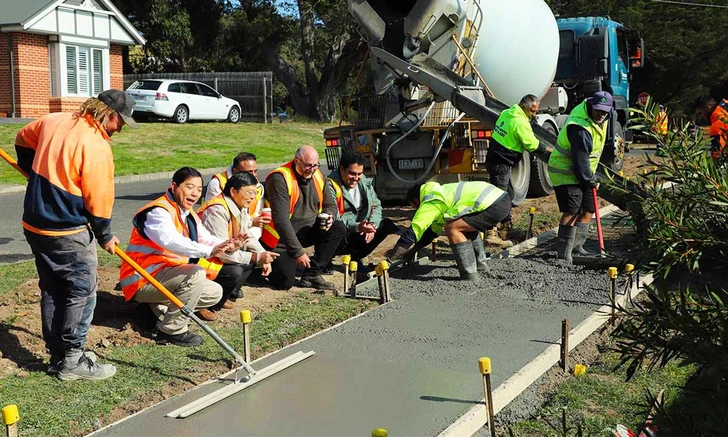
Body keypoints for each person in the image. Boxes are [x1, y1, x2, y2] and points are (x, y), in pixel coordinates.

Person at [14, 89, 137, 381]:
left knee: (53, 288)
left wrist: (31, 171)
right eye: (120, 122)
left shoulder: (53, 120)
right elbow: (100, 198)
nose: (120, 129)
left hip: (34, 224)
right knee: (81, 290)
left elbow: (21, 137)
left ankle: (58, 353)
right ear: (108, 115)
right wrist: (105, 235)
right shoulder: (95, 145)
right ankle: (72, 359)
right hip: (66, 229)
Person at [119, 167, 243, 346]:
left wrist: (227, 246)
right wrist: (209, 251)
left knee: (214, 293)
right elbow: (170, 240)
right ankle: (172, 330)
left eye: (199, 189)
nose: (195, 194)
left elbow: (205, 238)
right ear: (174, 186)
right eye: (190, 187)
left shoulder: (187, 213)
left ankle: (153, 310)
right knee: (196, 273)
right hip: (141, 279)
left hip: (166, 276)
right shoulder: (158, 211)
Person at [385, 181, 510, 281]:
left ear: (416, 200)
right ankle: (481, 267)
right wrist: (412, 251)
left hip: (494, 204)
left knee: (452, 228)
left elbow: (412, 233)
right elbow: (431, 233)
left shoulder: (431, 201)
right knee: (464, 226)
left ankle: (469, 276)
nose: (416, 209)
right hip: (500, 199)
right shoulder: (441, 194)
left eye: (415, 206)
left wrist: (389, 260)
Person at [261, 145, 346, 291]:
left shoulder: (317, 174)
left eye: (315, 165)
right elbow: (281, 220)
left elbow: (330, 204)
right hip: (281, 240)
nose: (312, 169)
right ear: (296, 161)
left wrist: (330, 216)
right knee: (284, 284)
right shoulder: (280, 178)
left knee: (338, 228)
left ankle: (312, 274)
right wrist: (298, 252)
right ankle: (259, 268)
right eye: (308, 165)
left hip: (307, 231)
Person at [198, 172, 279, 313]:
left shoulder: (238, 206)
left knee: (248, 261)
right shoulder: (217, 209)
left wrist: (263, 255)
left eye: (255, 192)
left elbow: (246, 236)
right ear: (233, 191)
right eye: (249, 192)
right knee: (235, 270)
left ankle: (223, 296)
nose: (253, 197)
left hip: (224, 252)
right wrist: (257, 257)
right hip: (204, 258)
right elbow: (221, 252)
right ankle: (207, 305)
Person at [547, 91, 613, 262]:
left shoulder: (604, 117)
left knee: (589, 208)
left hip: (584, 171)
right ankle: (563, 253)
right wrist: (589, 179)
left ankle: (577, 246)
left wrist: (590, 177)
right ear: (591, 105)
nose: (601, 115)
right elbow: (580, 159)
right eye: (598, 111)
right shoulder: (579, 127)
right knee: (572, 209)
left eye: (605, 112)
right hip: (565, 171)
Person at [485, 94, 552, 247]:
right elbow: (532, 145)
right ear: (524, 108)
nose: (534, 115)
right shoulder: (520, 121)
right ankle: (491, 233)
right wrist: (551, 150)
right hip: (500, 163)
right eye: (532, 112)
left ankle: (506, 227)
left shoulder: (507, 112)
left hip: (495, 159)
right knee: (497, 198)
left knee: (509, 194)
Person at [327, 150, 400, 275]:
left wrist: (372, 225)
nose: (356, 178)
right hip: (343, 230)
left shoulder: (364, 182)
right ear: (341, 169)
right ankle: (326, 258)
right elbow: (335, 217)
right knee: (337, 228)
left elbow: (376, 205)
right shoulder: (330, 185)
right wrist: (357, 227)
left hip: (362, 226)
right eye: (352, 174)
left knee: (385, 225)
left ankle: (355, 260)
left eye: (359, 174)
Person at [694, 96, 728, 161]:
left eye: (700, 113)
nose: (701, 116)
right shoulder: (725, 107)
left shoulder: (718, 123)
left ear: (708, 107)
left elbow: (716, 153)